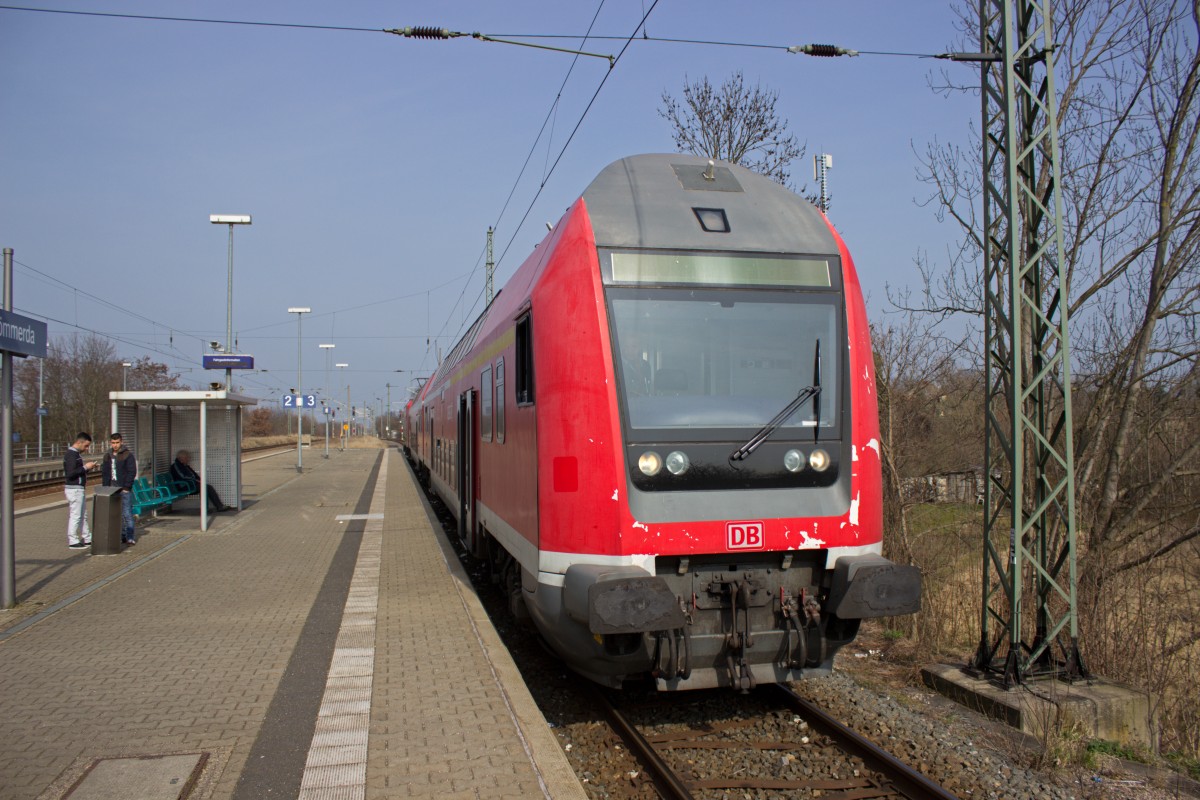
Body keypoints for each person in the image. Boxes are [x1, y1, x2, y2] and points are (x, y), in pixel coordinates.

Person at [63, 432, 98, 549]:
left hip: (78, 488)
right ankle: (72, 540)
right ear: (79, 442)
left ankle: (87, 538)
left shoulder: (75, 454)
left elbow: (77, 472)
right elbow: (71, 473)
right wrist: (85, 467)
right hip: (74, 490)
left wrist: (88, 468)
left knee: (83, 515)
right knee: (76, 515)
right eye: (86, 446)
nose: (86, 449)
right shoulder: (71, 455)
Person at [101, 432, 137, 545]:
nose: (115, 445)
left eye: (117, 442)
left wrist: (127, 487)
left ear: (121, 442)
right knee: (116, 514)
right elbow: (105, 473)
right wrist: (105, 487)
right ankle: (121, 536)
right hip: (111, 489)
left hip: (123, 489)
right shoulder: (107, 456)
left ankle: (130, 536)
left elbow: (132, 471)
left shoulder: (127, 455)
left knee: (126, 513)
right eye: (113, 443)